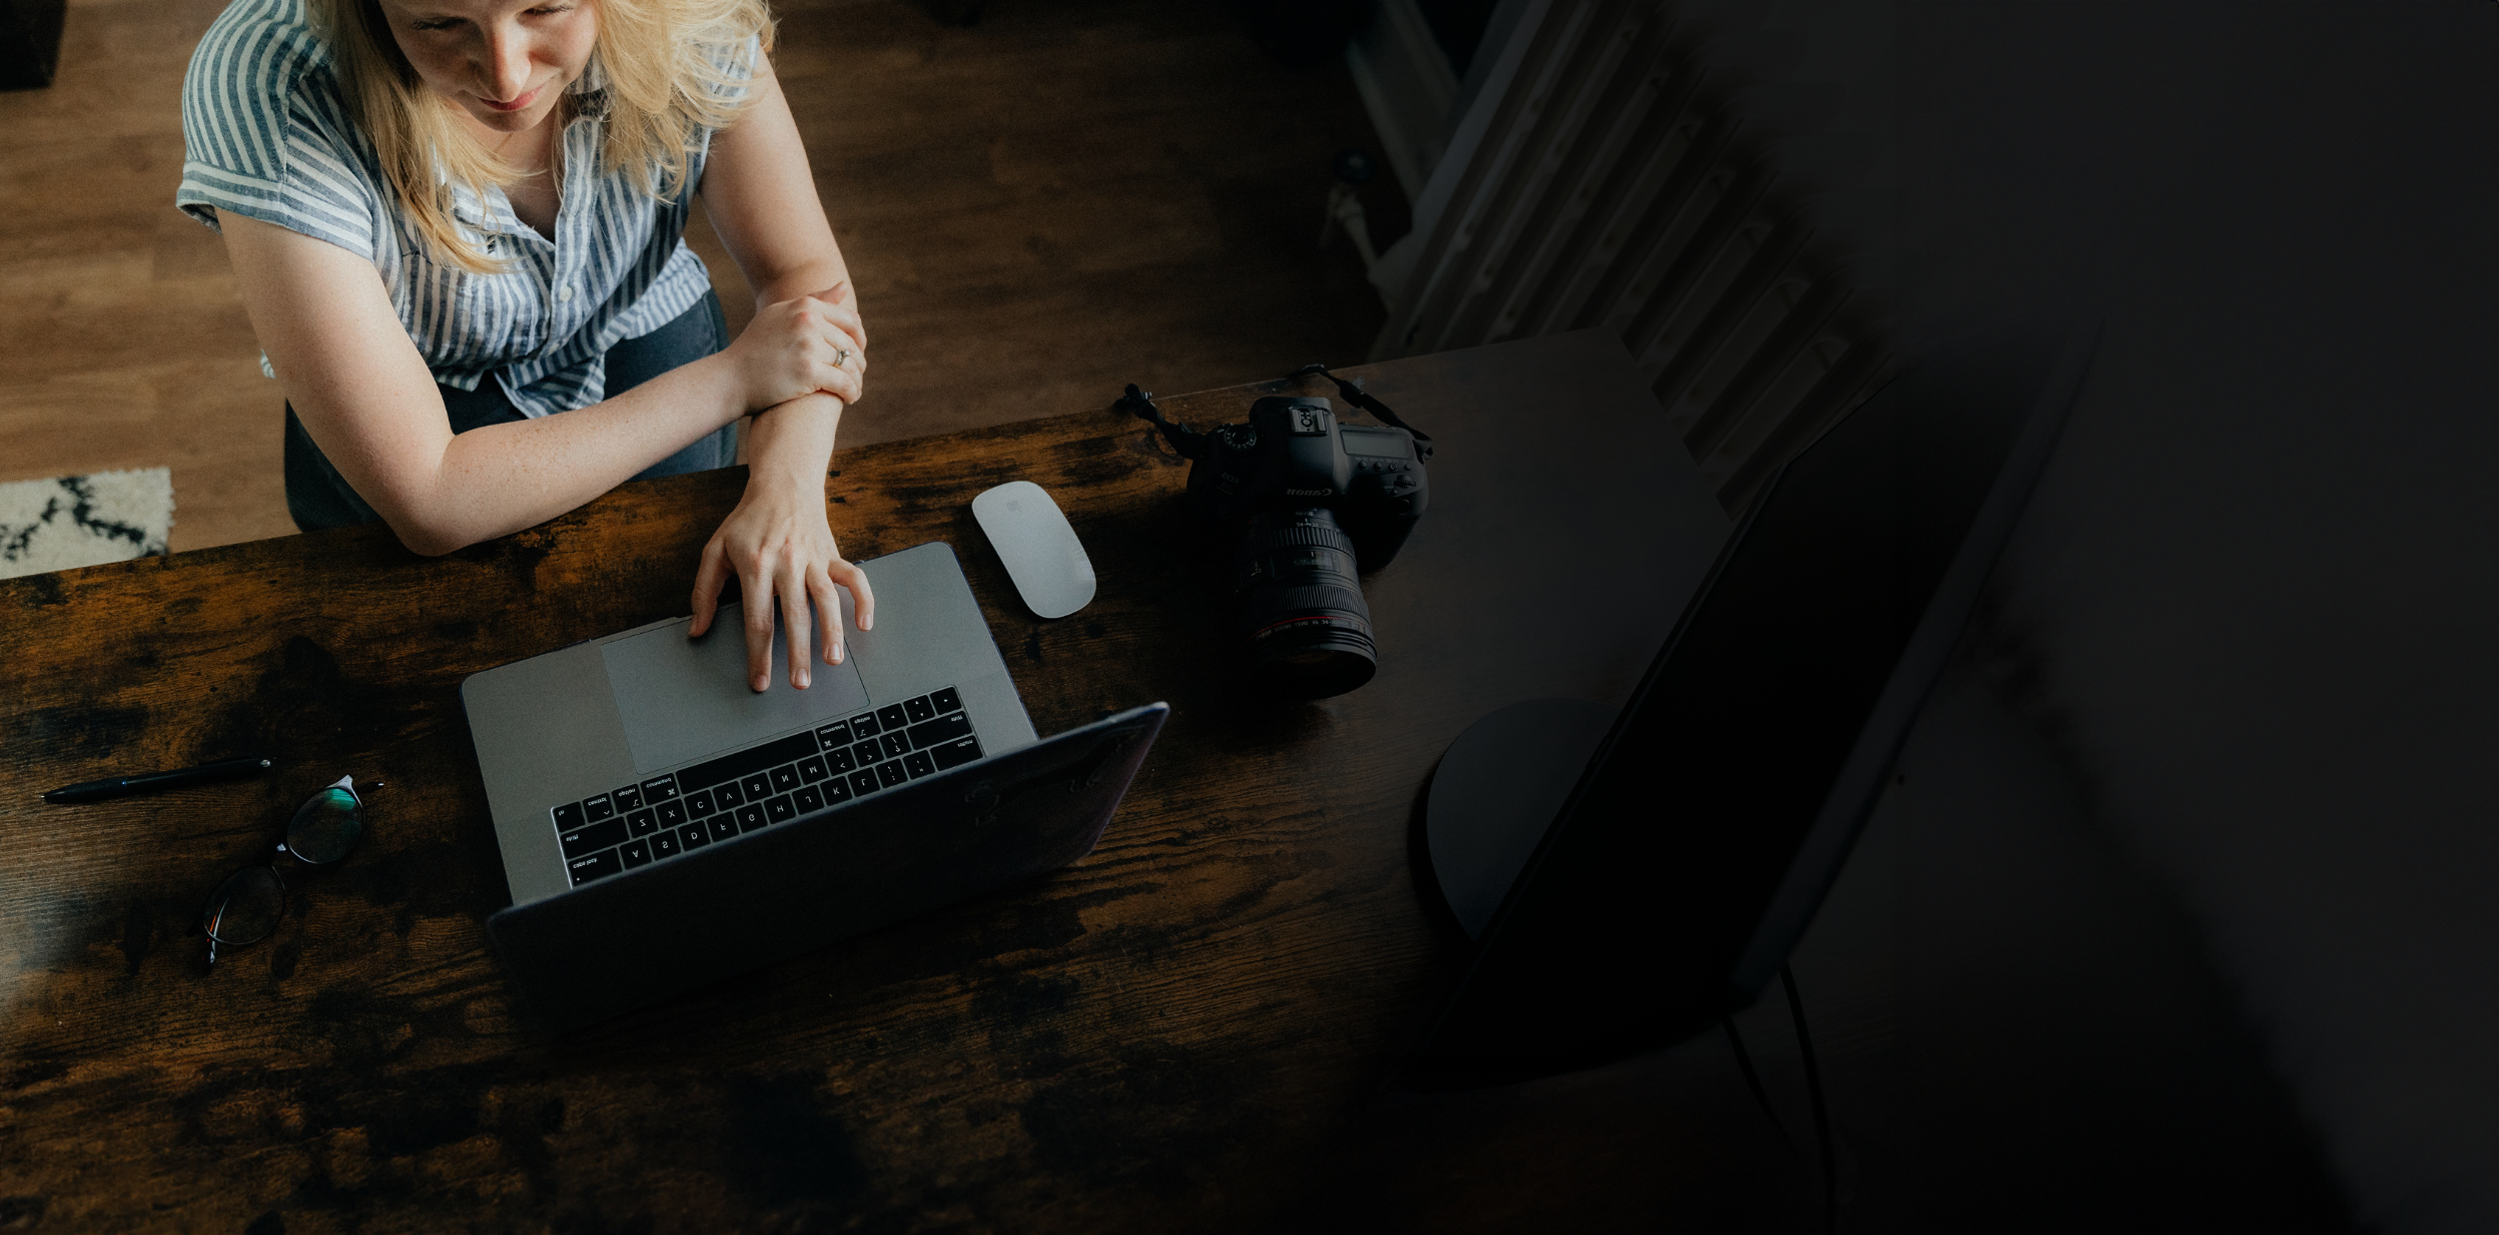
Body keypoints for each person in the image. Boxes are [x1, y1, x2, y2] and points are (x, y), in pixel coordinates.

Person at [176, 0, 870, 693]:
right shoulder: (266, 81)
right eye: (437, 23)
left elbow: (806, 290)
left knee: (671, 658)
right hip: (423, 397)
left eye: (544, 7)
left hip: (636, 331)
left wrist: (789, 488)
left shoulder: (689, 12)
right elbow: (431, 498)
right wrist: (733, 381)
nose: (506, 77)